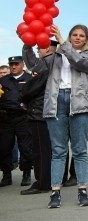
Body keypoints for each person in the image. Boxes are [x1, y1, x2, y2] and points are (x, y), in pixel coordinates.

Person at [22, 23, 88, 208]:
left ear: (86, 40)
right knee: (58, 150)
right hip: (56, 103)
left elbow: (79, 63)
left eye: (81, 36)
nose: (78, 37)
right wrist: (27, 44)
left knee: (79, 150)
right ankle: (55, 192)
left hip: (79, 104)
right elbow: (33, 65)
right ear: (70, 37)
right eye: (74, 35)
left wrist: (63, 43)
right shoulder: (54, 57)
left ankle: (82, 190)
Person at [19, 40, 58, 195]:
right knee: (50, 149)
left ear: (47, 49)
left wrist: (26, 44)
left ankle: (42, 182)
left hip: (40, 112)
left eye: (38, 48)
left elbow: (30, 65)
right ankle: (49, 179)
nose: (37, 50)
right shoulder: (55, 63)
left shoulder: (47, 63)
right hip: (48, 111)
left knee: (40, 150)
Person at [0, 55, 33, 188]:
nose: (14, 66)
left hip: (23, 118)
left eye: (16, 64)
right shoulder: (3, 80)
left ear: (22, 64)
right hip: (5, 118)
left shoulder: (30, 79)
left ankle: (26, 173)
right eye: (11, 64)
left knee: (25, 147)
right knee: (4, 147)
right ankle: (6, 175)